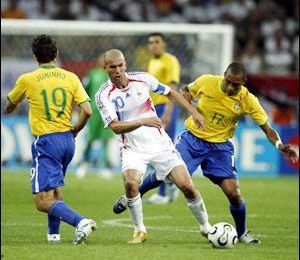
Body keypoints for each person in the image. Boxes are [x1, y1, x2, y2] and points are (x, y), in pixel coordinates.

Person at [113, 62, 298, 244]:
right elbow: (186, 89)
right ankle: (132, 194)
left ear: (244, 83)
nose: (231, 87)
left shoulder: (248, 100)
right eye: (228, 81)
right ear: (224, 74)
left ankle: (241, 233)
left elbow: (267, 128)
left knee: (234, 193)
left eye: (237, 84)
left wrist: (280, 145)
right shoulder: (207, 81)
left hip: (220, 148)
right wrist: (186, 94)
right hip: (192, 140)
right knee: (168, 175)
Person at [96, 49, 212, 244]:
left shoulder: (142, 79)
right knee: (131, 183)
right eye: (112, 67)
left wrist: (193, 112)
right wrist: (142, 121)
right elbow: (115, 127)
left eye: (120, 65)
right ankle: (139, 230)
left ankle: (206, 227)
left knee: (187, 186)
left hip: (160, 145)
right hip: (132, 149)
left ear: (125, 64)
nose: (117, 70)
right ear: (105, 68)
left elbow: (171, 93)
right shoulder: (104, 95)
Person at [5, 35, 96, 245]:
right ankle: (53, 236)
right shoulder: (71, 77)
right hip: (67, 141)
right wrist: (75, 130)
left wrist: (16, 105)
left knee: (41, 200)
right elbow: (88, 111)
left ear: (35, 56)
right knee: (54, 191)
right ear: (56, 55)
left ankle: (81, 222)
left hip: (46, 141)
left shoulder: (27, 79)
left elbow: (9, 106)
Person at [145, 32, 181, 204]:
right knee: (151, 150)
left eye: (157, 41)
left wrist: (168, 112)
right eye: (151, 42)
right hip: (154, 109)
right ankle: (170, 185)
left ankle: (164, 191)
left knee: (164, 149)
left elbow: (173, 87)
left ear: (163, 44)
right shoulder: (152, 61)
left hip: (167, 108)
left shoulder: (170, 60)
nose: (153, 45)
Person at [76, 53, 115, 179]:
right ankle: (83, 164)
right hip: (93, 110)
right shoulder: (92, 74)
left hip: (107, 111)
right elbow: (83, 91)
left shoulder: (111, 76)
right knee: (90, 139)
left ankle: (103, 167)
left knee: (105, 140)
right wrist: (81, 107)